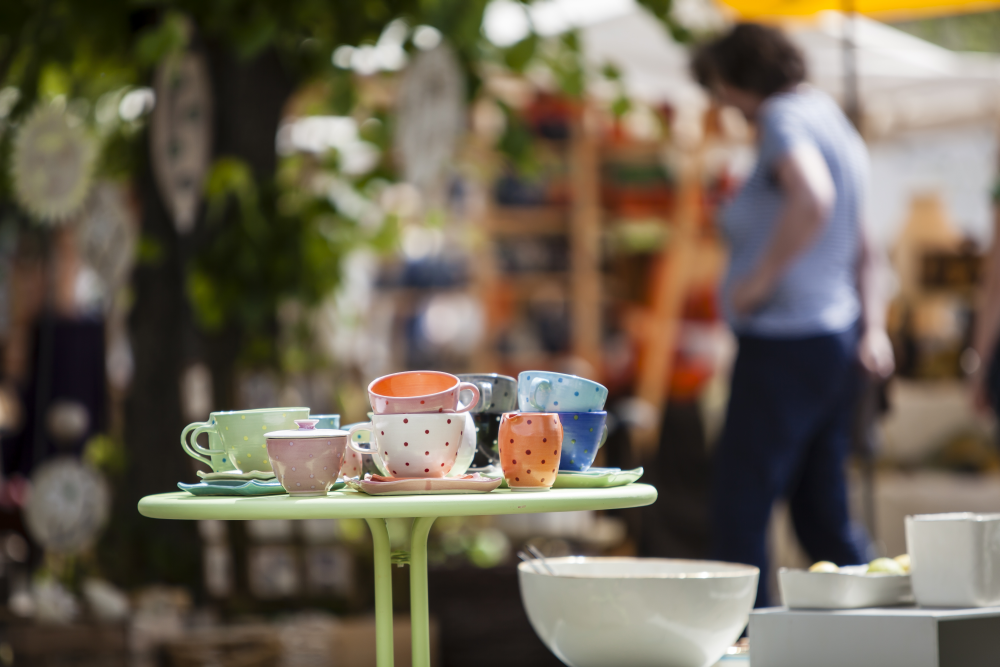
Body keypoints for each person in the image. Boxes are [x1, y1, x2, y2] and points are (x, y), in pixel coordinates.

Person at [692, 23, 895, 607]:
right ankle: (886, 629)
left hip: (785, 343)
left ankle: (746, 639)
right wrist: (874, 326)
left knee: (740, 508)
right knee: (821, 515)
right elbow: (864, 241)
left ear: (733, 79)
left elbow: (814, 198)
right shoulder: (831, 118)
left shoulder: (783, 118)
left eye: (719, 89)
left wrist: (754, 283)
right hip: (834, 339)